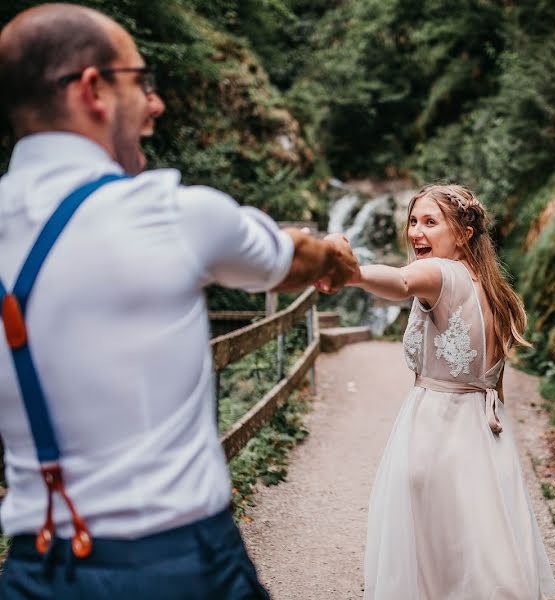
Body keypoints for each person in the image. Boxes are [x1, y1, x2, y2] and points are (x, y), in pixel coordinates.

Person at [0, 4, 358, 599]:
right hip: (180, 566)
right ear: (93, 90)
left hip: (35, 572)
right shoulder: (173, 215)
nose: (156, 103)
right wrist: (336, 256)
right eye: (142, 82)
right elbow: (295, 259)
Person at [346, 184, 555, 599]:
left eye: (430, 222)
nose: (415, 233)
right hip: (485, 439)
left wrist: (350, 274)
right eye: (413, 221)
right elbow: (494, 380)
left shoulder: (441, 273)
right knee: (483, 558)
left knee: (431, 564)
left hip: (435, 433)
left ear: (463, 233)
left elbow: (401, 280)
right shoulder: (490, 287)